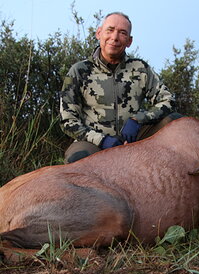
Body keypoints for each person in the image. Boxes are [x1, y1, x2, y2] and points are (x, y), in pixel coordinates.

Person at [60, 12, 180, 163]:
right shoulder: (79, 70)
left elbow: (168, 100)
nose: (115, 37)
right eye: (110, 30)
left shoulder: (140, 68)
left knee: (176, 121)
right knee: (77, 160)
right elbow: (68, 120)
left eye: (122, 33)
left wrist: (138, 119)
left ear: (129, 41)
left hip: (135, 138)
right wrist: (101, 140)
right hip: (93, 143)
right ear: (98, 33)